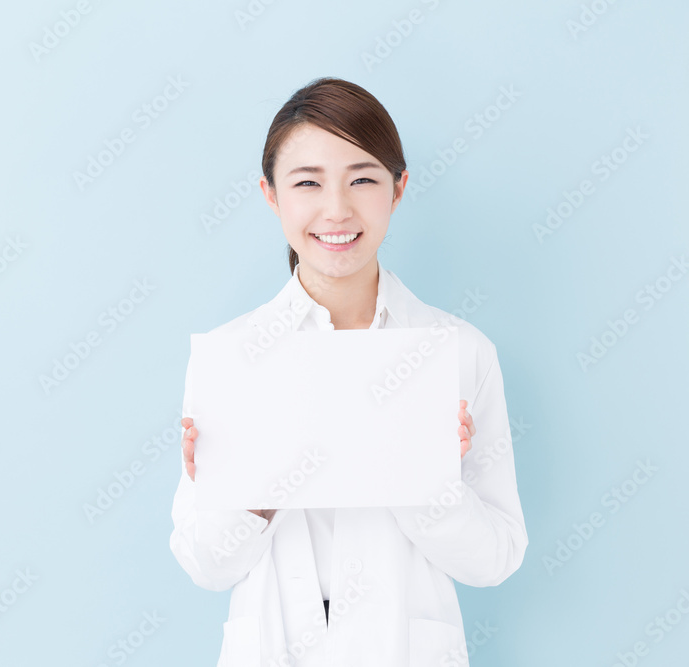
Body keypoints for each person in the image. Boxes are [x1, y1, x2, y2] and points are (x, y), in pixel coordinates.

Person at [169, 77, 528, 667]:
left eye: (362, 179)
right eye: (307, 182)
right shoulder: (233, 357)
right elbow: (204, 564)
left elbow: (496, 558)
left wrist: (426, 479)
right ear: (270, 194)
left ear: (398, 188)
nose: (336, 209)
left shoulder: (459, 353)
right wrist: (250, 492)